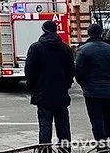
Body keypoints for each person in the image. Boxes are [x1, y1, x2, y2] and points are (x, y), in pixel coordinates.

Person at [25, 20, 75, 153]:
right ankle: (65, 149)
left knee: (45, 125)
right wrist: (67, 84)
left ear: (43, 31)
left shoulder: (35, 48)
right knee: (63, 125)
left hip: (43, 93)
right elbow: (71, 70)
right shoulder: (65, 48)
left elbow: (29, 71)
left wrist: (33, 87)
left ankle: (45, 150)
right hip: (61, 93)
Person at [75, 23, 110, 143]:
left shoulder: (83, 50)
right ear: (101, 33)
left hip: (92, 92)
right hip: (109, 91)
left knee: (96, 119)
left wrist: (84, 85)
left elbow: (79, 72)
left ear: (88, 33)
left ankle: (101, 145)